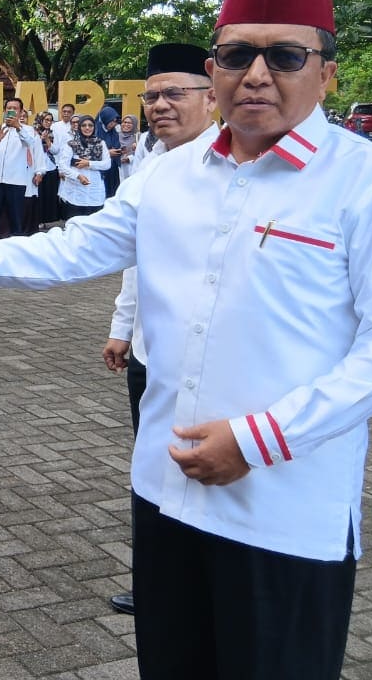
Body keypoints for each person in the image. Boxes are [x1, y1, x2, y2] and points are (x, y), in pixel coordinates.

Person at [0, 0, 372, 680]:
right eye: (237, 54)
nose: (256, 73)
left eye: (284, 56)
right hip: (167, 490)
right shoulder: (168, 176)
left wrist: (258, 440)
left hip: (284, 505)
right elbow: (72, 249)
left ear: (327, 74)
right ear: (212, 71)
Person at [100, 42, 217, 618]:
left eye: (175, 93)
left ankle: (197, 586)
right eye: (152, 96)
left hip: (212, 364)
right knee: (152, 468)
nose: (160, 106)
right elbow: (128, 256)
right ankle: (155, 583)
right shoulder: (152, 167)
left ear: (212, 95)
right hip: (150, 351)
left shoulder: (239, 168)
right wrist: (123, 327)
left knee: (201, 472)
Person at [0, 96, 40, 241]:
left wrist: (18, 127)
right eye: (9, 108)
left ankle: (17, 249)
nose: (11, 111)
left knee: (16, 220)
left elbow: (30, 144)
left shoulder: (27, 130)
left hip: (16, 181)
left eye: (15, 109)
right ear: (4, 111)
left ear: (21, 112)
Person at [56, 115, 112, 218]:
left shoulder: (101, 143)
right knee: (75, 223)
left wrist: (89, 163)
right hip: (76, 189)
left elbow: (107, 164)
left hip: (95, 189)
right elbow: (63, 165)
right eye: (84, 125)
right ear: (79, 127)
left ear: (94, 127)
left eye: (90, 125)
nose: (87, 128)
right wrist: (78, 176)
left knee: (93, 223)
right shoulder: (71, 144)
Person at [96, 105, 123, 197]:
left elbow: (116, 145)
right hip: (100, 169)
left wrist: (119, 151)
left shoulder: (113, 132)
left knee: (112, 193)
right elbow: (91, 149)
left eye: (115, 122)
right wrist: (107, 153)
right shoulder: (96, 131)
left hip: (112, 169)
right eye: (111, 121)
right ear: (105, 119)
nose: (113, 124)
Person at [117, 114, 140, 181]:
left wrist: (130, 158)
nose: (126, 124)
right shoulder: (116, 136)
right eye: (124, 122)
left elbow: (144, 154)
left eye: (129, 123)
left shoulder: (138, 137)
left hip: (132, 170)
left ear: (134, 125)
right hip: (117, 170)